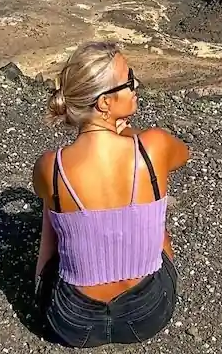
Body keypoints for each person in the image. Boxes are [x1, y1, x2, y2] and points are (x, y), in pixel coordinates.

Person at [32, 41, 190, 347]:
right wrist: (129, 134)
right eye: (129, 80)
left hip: (72, 322)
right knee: (155, 213)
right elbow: (184, 154)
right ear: (105, 103)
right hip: (148, 315)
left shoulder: (50, 166)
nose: (136, 86)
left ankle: (40, 288)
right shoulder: (153, 146)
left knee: (52, 207)